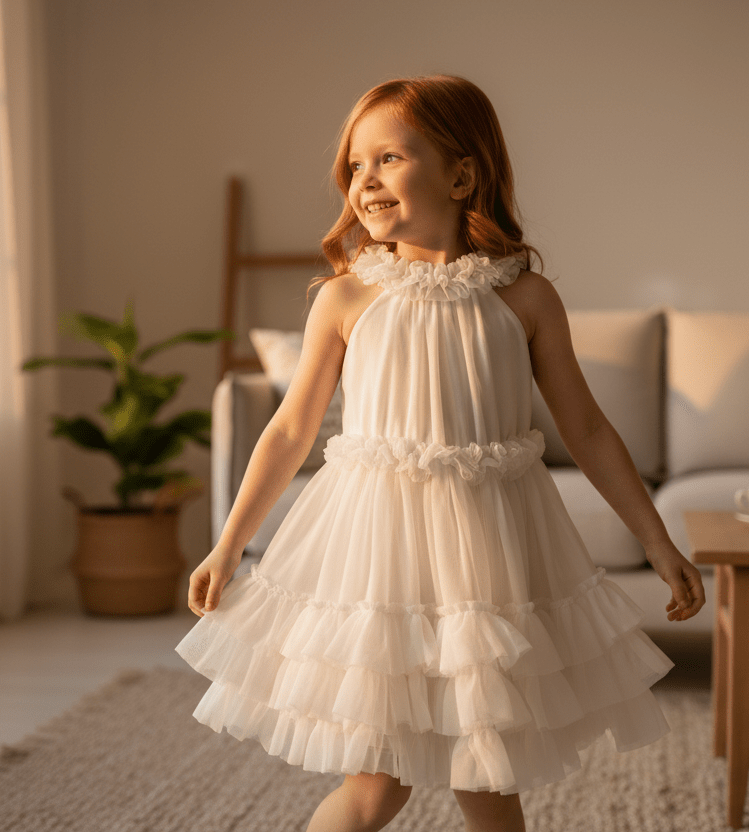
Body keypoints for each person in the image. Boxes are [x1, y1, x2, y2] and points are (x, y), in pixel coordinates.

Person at [175, 74, 706, 832]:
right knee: (376, 784)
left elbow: (586, 429)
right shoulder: (346, 298)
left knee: (487, 775)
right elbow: (290, 430)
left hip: (489, 560)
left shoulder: (524, 298)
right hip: (381, 561)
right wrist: (229, 546)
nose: (366, 180)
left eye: (389, 158)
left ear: (462, 175)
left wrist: (657, 540)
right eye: (356, 166)